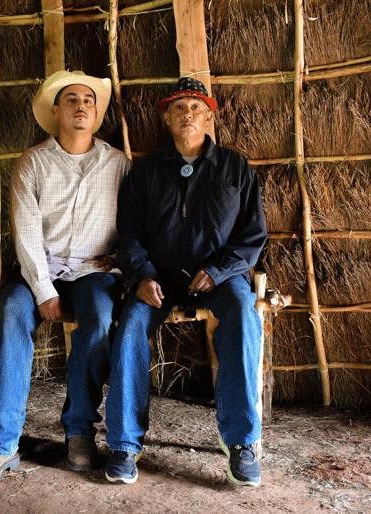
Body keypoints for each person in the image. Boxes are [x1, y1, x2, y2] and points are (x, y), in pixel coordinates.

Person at [0, 71, 131, 488]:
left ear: (96, 113)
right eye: (70, 100)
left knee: (99, 321)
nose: (81, 106)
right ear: (55, 111)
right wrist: (42, 289)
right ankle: (0, 446)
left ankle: (79, 433)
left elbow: (134, 222)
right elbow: (25, 230)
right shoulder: (32, 162)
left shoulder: (118, 164)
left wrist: (122, 261)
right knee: (9, 314)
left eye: (88, 100)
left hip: (95, 269)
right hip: (42, 267)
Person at [109, 77, 267, 486]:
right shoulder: (144, 172)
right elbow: (127, 234)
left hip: (220, 277)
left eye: (196, 107)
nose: (188, 114)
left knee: (244, 318)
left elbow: (252, 237)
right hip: (156, 277)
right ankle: (125, 445)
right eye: (179, 107)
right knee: (129, 328)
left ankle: (241, 443)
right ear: (166, 117)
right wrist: (141, 274)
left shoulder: (235, 168)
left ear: (209, 116)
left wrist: (218, 271)